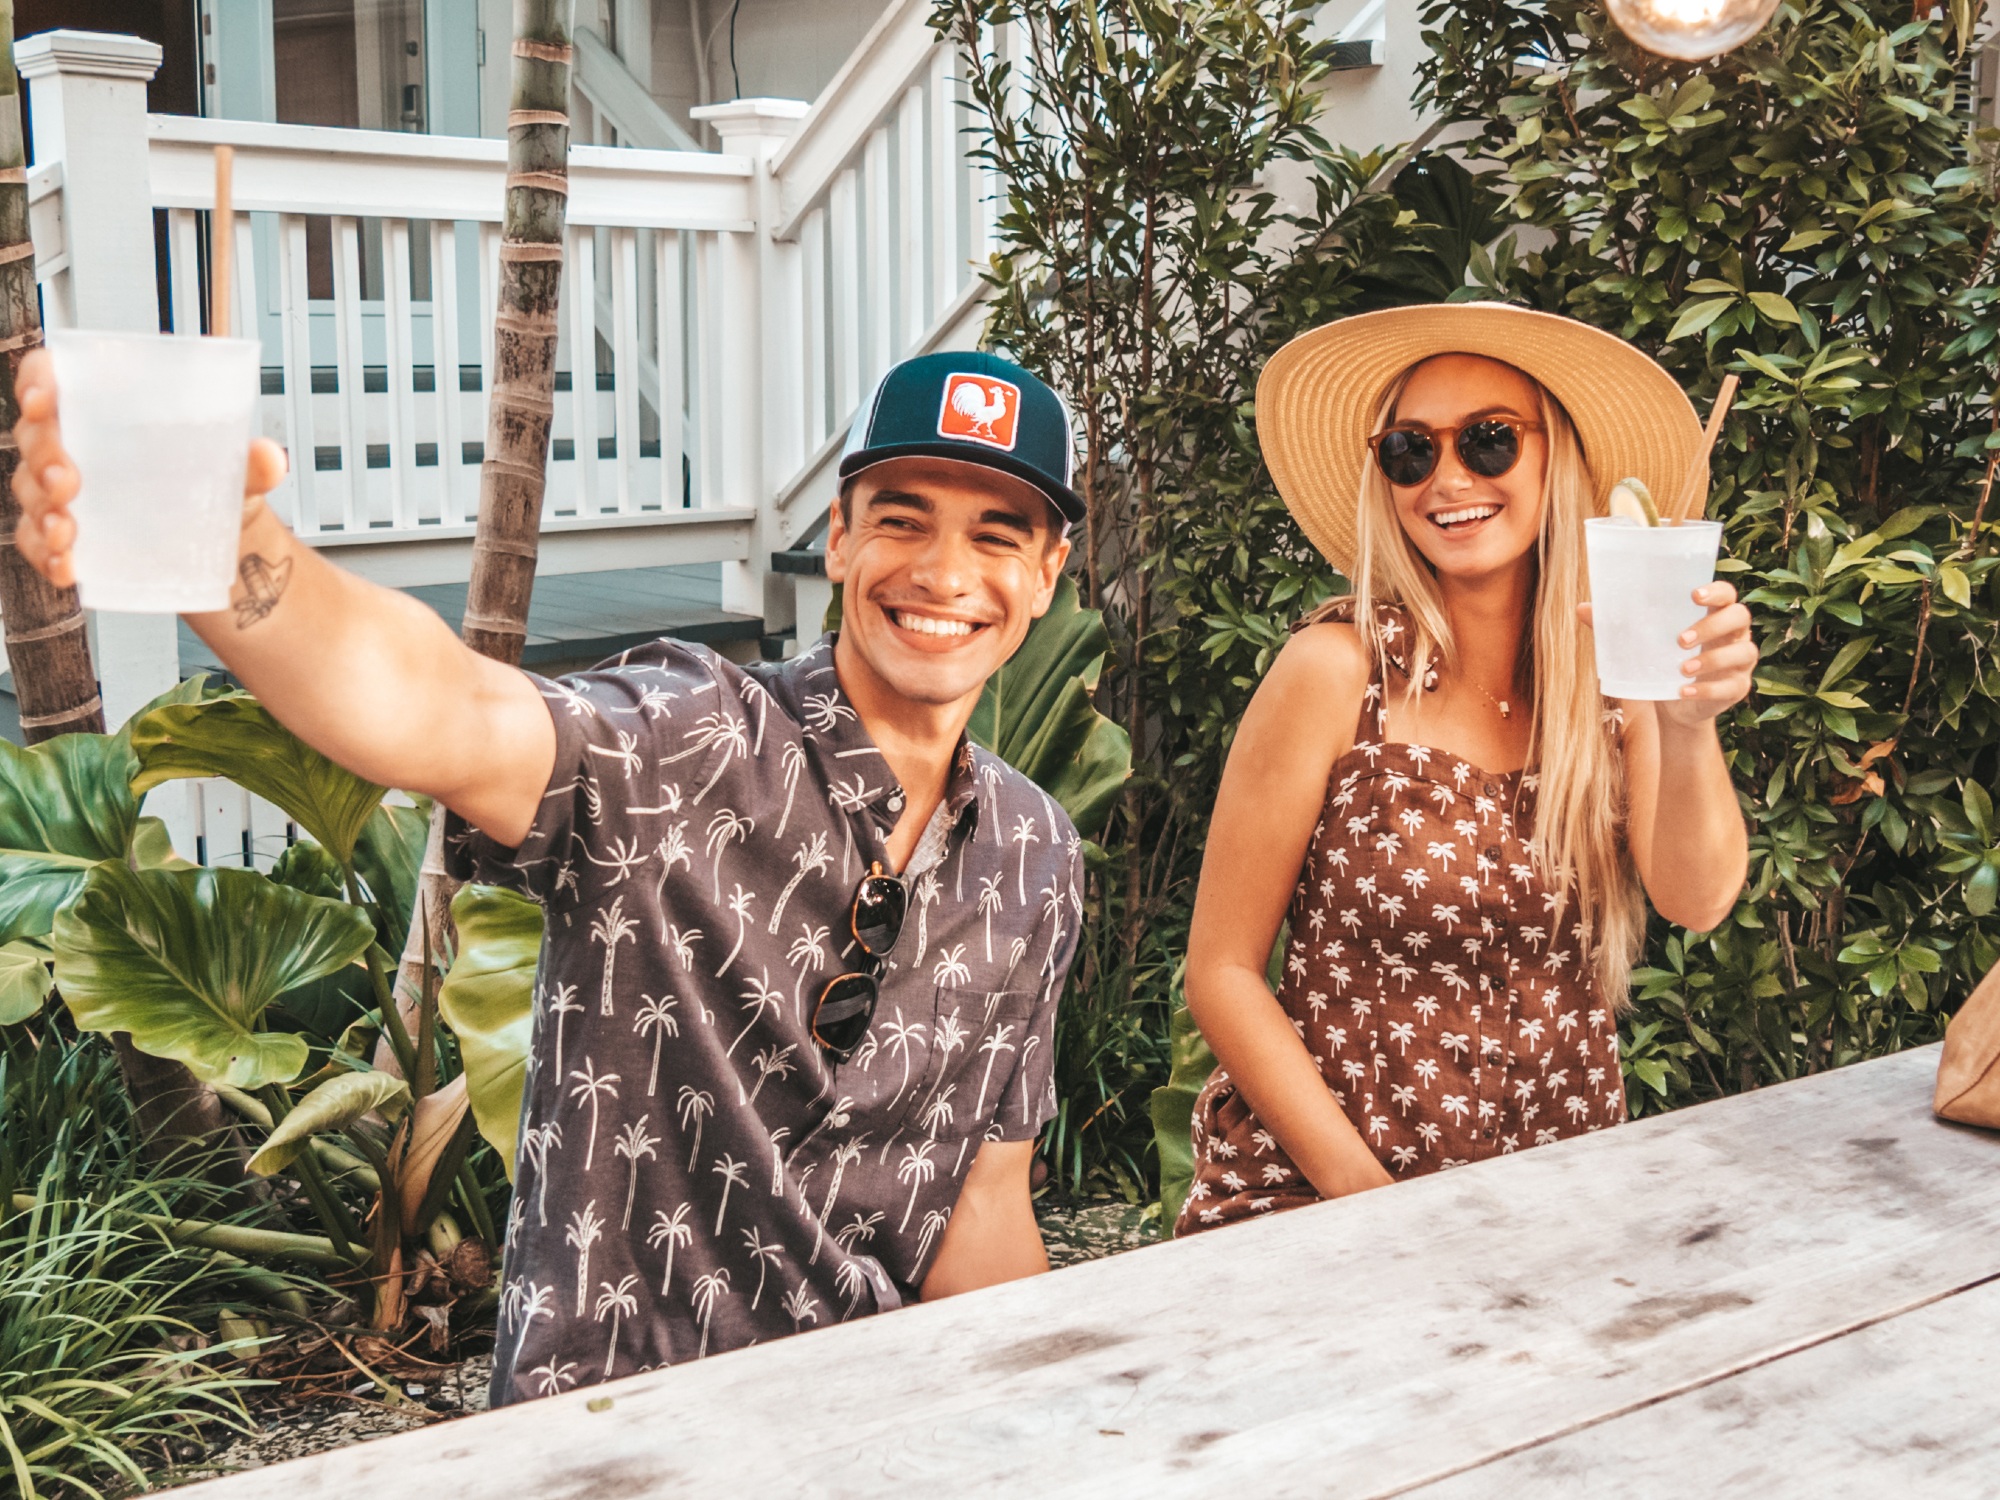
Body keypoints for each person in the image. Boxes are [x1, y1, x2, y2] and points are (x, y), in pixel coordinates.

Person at [9, 347, 1088, 1401]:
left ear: (1043, 577)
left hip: (877, 1422)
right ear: (841, 540)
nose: (944, 575)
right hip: (614, 1430)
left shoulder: (1034, 853)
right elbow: (442, 707)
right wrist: (230, 546)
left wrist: (1060, 1429)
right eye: (902, 520)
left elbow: (978, 1204)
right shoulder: (687, 741)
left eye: (995, 537)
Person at [1175, 304, 1756, 1234]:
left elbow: (1698, 898)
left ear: (1552, 455)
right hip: (1324, 1202)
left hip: (1553, 1197)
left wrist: (1686, 725)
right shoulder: (1337, 671)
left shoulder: (1614, 671)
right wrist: (1378, 1212)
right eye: (1410, 450)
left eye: (1488, 442)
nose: (1447, 479)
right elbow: (1222, 971)